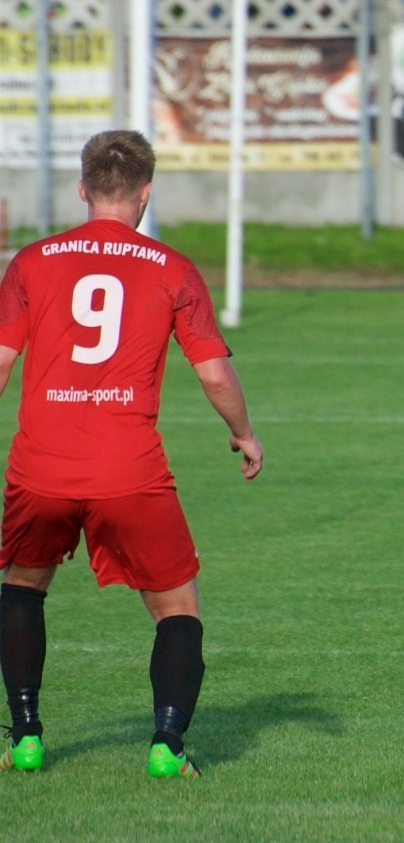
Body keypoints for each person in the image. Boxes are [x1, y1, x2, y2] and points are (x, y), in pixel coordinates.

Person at [0, 130, 263, 778]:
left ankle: (26, 735)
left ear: (82, 189)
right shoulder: (172, 268)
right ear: (146, 194)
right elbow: (214, 373)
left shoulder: (31, 262)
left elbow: (1, 360)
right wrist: (244, 432)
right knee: (177, 608)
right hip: (129, 471)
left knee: (23, 588)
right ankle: (168, 746)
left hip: (41, 468)